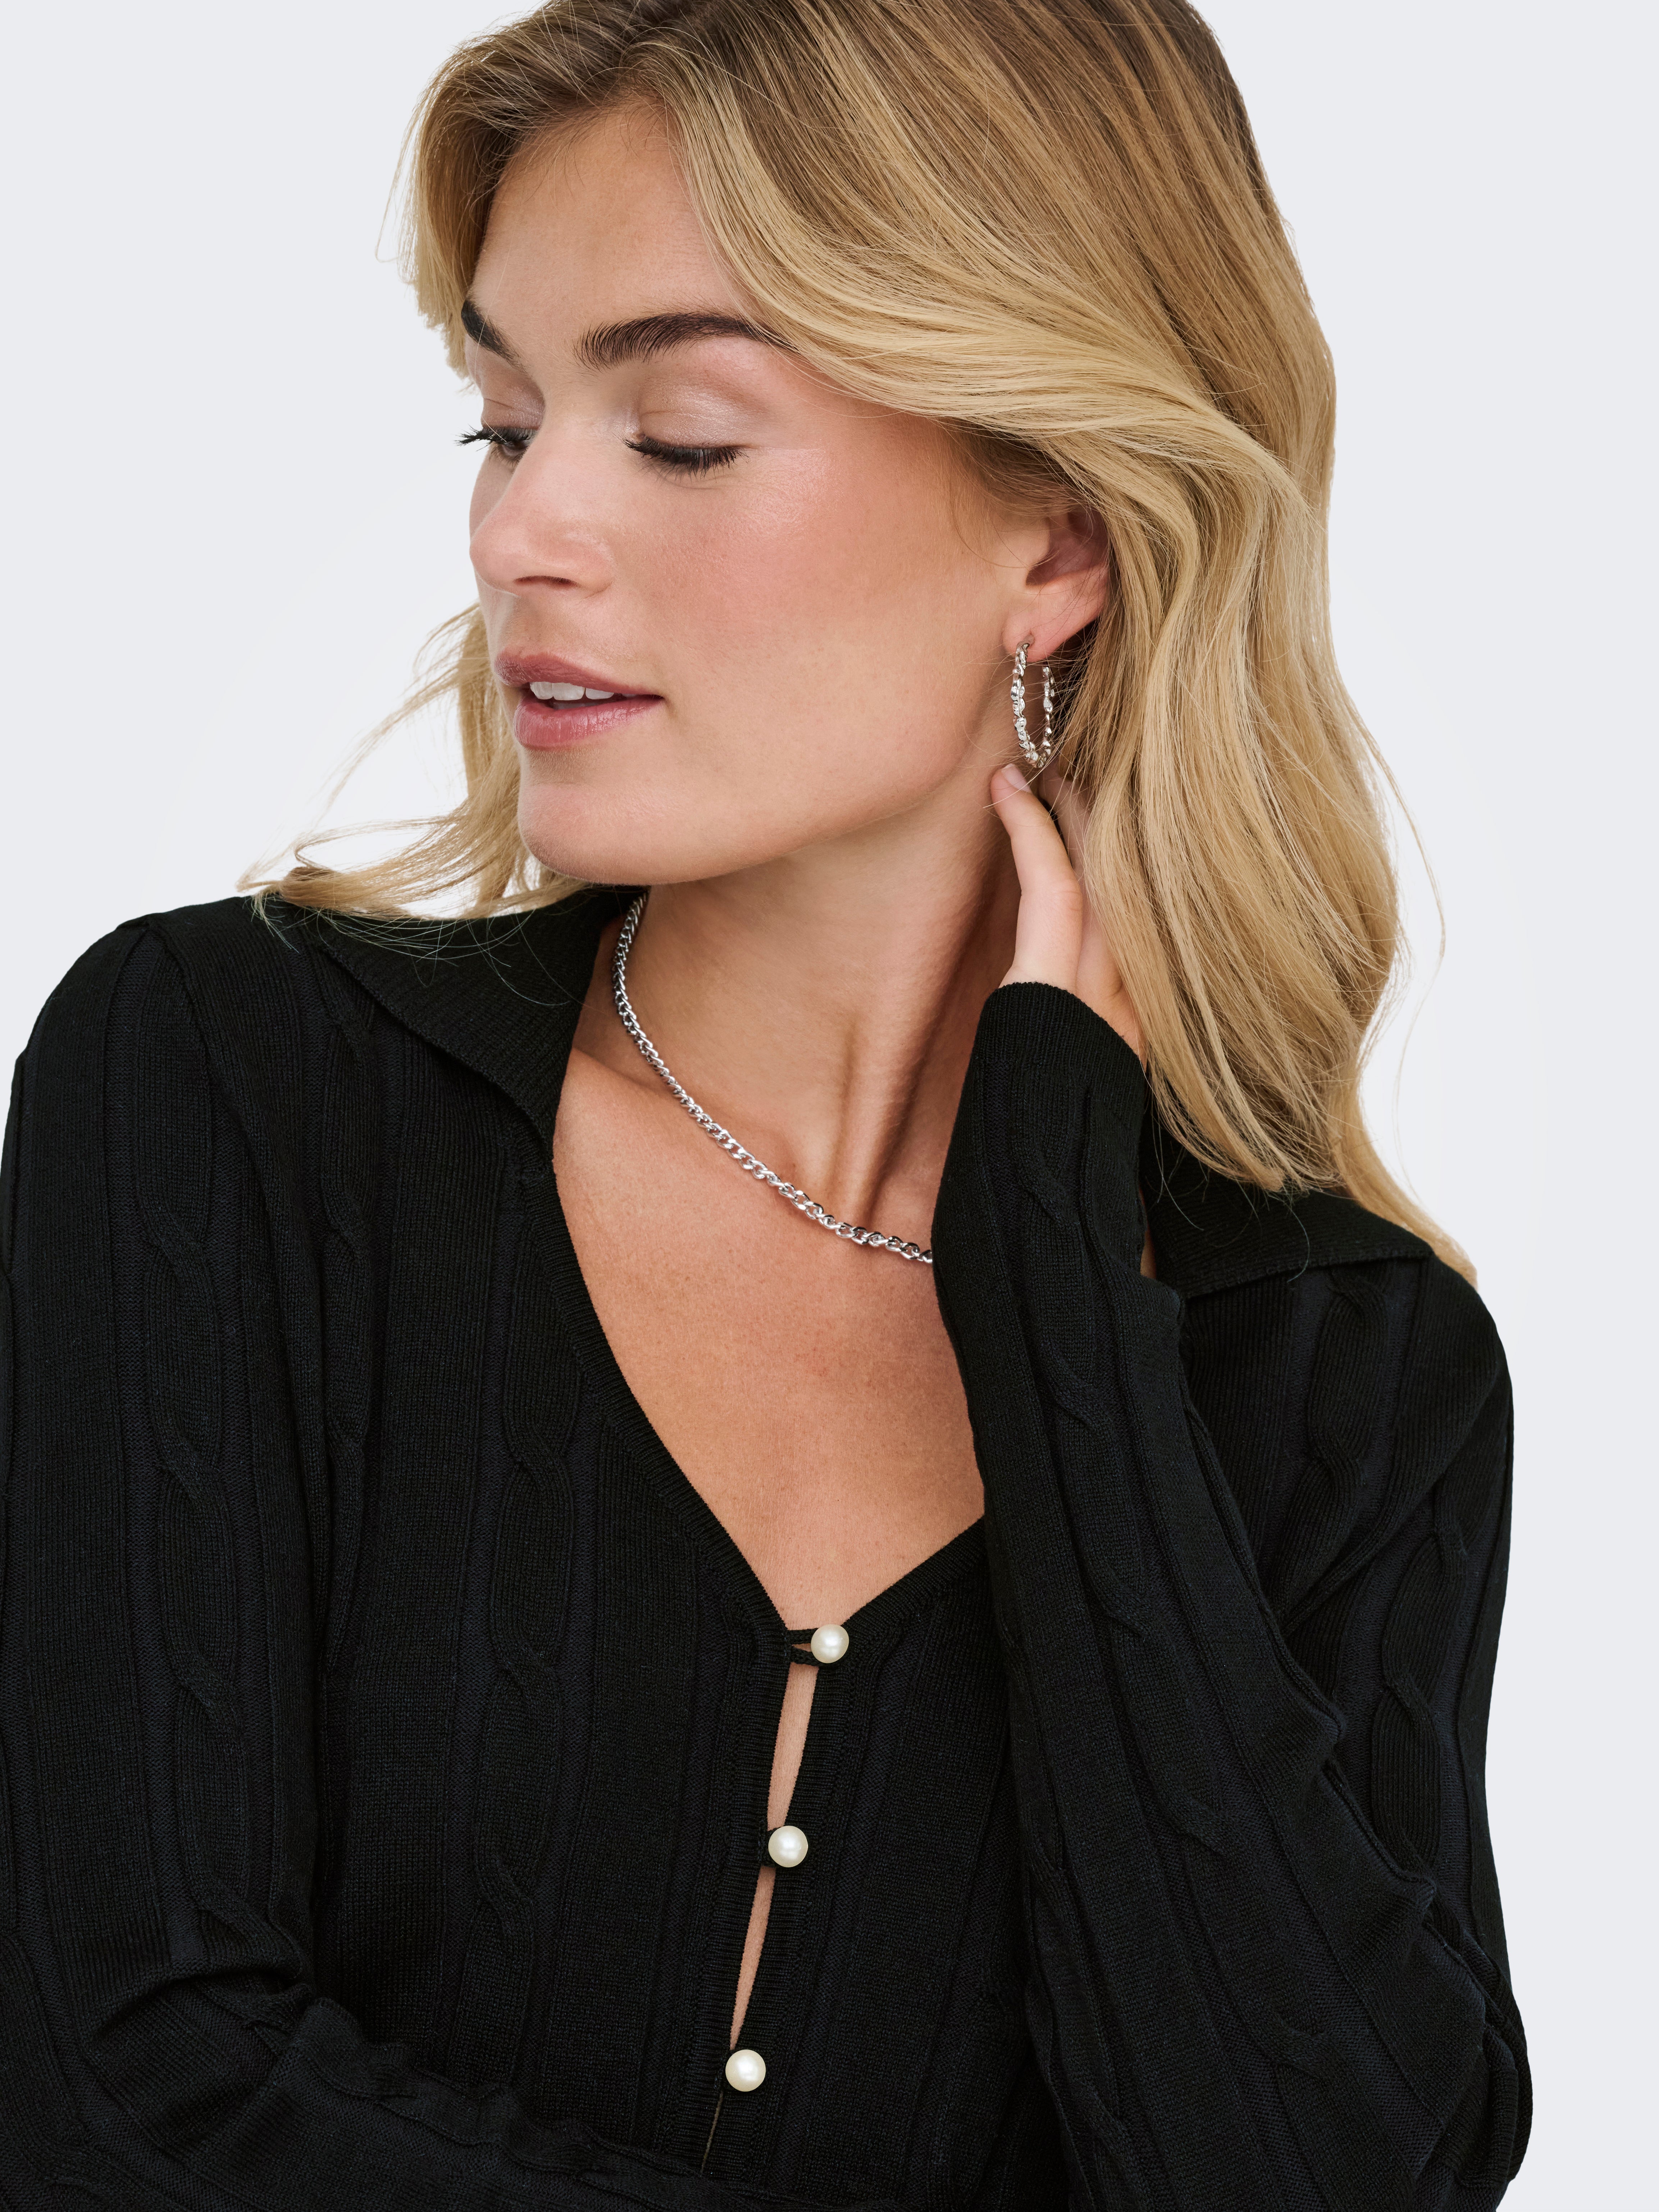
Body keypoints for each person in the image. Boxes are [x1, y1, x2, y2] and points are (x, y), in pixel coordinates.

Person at [0, 1, 1528, 2205]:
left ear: (1059, 540)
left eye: (682, 436)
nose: (520, 530)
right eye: (503, 421)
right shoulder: (231, 1089)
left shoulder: (1344, 1364)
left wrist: (1052, 1291)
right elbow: (118, 2089)